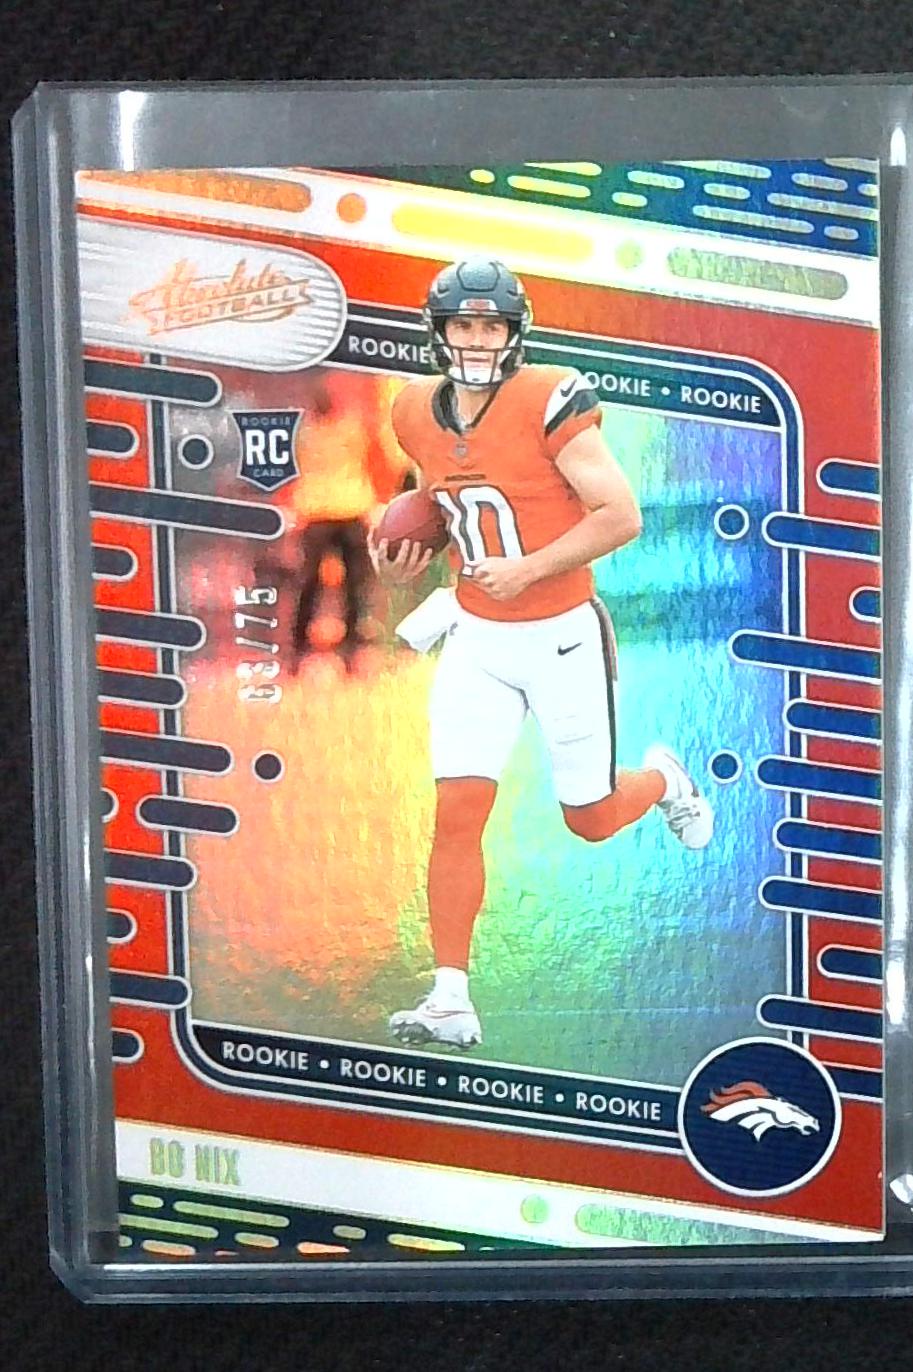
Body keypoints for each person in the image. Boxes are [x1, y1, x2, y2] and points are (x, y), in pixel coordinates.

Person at [370, 257, 713, 1049]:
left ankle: (665, 779)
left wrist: (527, 569)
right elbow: (443, 502)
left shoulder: (550, 397)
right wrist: (400, 557)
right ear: (439, 332)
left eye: (490, 325)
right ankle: (449, 996)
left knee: (590, 819)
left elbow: (620, 515)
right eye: (463, 324)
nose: (476, 339)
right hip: (476, 636)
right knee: (457, 813)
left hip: (561, 635)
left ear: (514, 333)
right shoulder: (413, 409)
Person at [291, 381, 407, 669]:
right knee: (325, 583)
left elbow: (374, 463)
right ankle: (313, 645)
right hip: (330, 509)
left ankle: (336, 645)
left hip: (338, 508)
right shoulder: (326, 431)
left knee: (347, 583)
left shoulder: (312, 432)